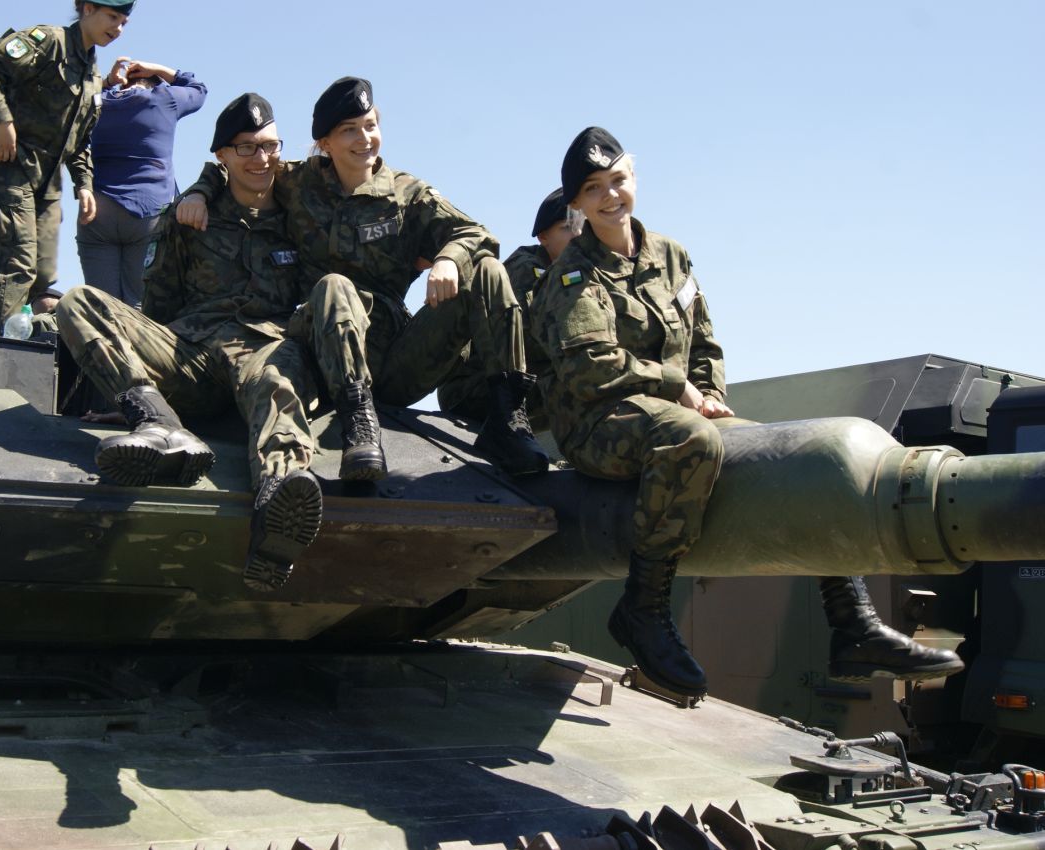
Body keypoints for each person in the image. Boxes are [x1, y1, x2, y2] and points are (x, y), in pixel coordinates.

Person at [530, 127, 963, 698]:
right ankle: (643, 606)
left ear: (634, 176)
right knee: (691, 440)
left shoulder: (670, 255)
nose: (610, 196)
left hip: (677, 412)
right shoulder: (572, 274)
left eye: (618, 180)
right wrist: (682, 390)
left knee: (792, 456)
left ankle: (852, 624)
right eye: (593, 189)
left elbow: (704, 341)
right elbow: (591, 367)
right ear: (577, 203)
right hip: (597, 421)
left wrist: (709, 394)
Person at [178, 77, 547, 477]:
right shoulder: (299, 182)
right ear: (325, 143)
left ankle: (508, 416)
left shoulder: (407, 195)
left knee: (487, 269)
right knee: (335, 285)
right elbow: (238, 167)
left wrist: (448, 259)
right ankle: (358, 421)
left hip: (395, 356)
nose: (364, 138)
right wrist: (199, 192)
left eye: (370, 126)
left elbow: (477, 234)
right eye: (349, 130)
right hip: (325, 352)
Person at [56, 94, 333, 592]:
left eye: (270, 146)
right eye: (246, 148)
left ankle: (279, 506)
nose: (261, 158)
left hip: (264, 347)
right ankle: (158, 423)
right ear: (222, 154)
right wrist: (133, 382)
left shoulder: (300, 209)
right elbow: (159, 303)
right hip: (192, 355)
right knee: (80, 301)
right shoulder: (186, 218)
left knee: (278, 379)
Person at [0, 0, 132, 335]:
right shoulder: (48, 41)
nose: (118, 29)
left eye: (124, 22)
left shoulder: (92, 74)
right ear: (87, 9)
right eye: (113, 17)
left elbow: (79, 139)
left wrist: (84, 184)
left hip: (48, 182)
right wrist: (1, 120)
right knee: (17, 264)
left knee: (42, 274)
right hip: (9, 169)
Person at [437, 188, 579, 427]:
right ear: (543, 237)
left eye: (583, 227)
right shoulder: (527, 269)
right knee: (580, 380)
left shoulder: (576, 273)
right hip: (472, 389)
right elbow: (529, 338)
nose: (577, 235)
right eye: (567, 228)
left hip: (512, 384)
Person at [76, 58, 208, 306]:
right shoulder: (164, 99)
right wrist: (158, 69)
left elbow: (72, 100)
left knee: (101, 307)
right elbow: (198, 89)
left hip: (97, 211)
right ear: (154, 83)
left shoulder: (99, 103)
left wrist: (107, 82)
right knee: (139, 305)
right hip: (148, 211)